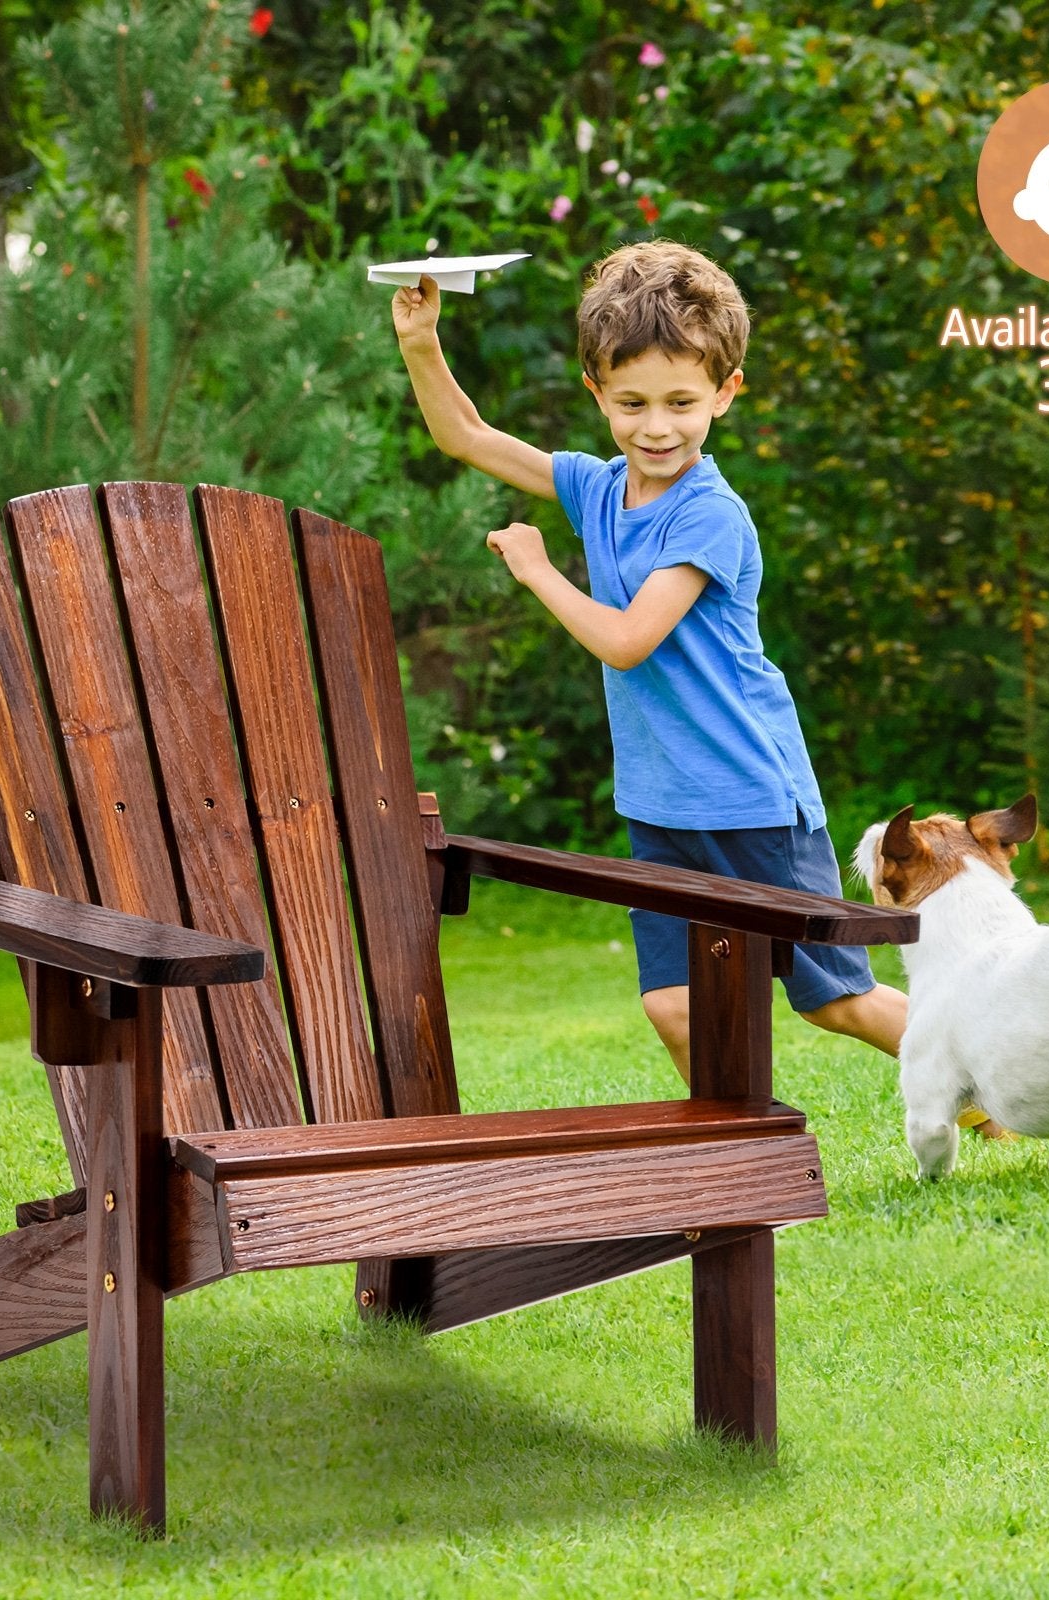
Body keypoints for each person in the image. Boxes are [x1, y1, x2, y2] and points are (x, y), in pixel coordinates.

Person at [391, 239, 1009, 1139]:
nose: (657, 427)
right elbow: (467, 437)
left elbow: (630, 639)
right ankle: (735, 1148)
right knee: (676, 1006)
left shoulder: (710, 515)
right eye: (632, 402)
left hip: (753, 800)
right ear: (596, 391)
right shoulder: (597, 490)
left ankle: (997, 1096)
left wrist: (536, 569)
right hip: (661, 806)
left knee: (834, 1001)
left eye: (682, 402)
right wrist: (420, 344)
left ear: (725, 392)